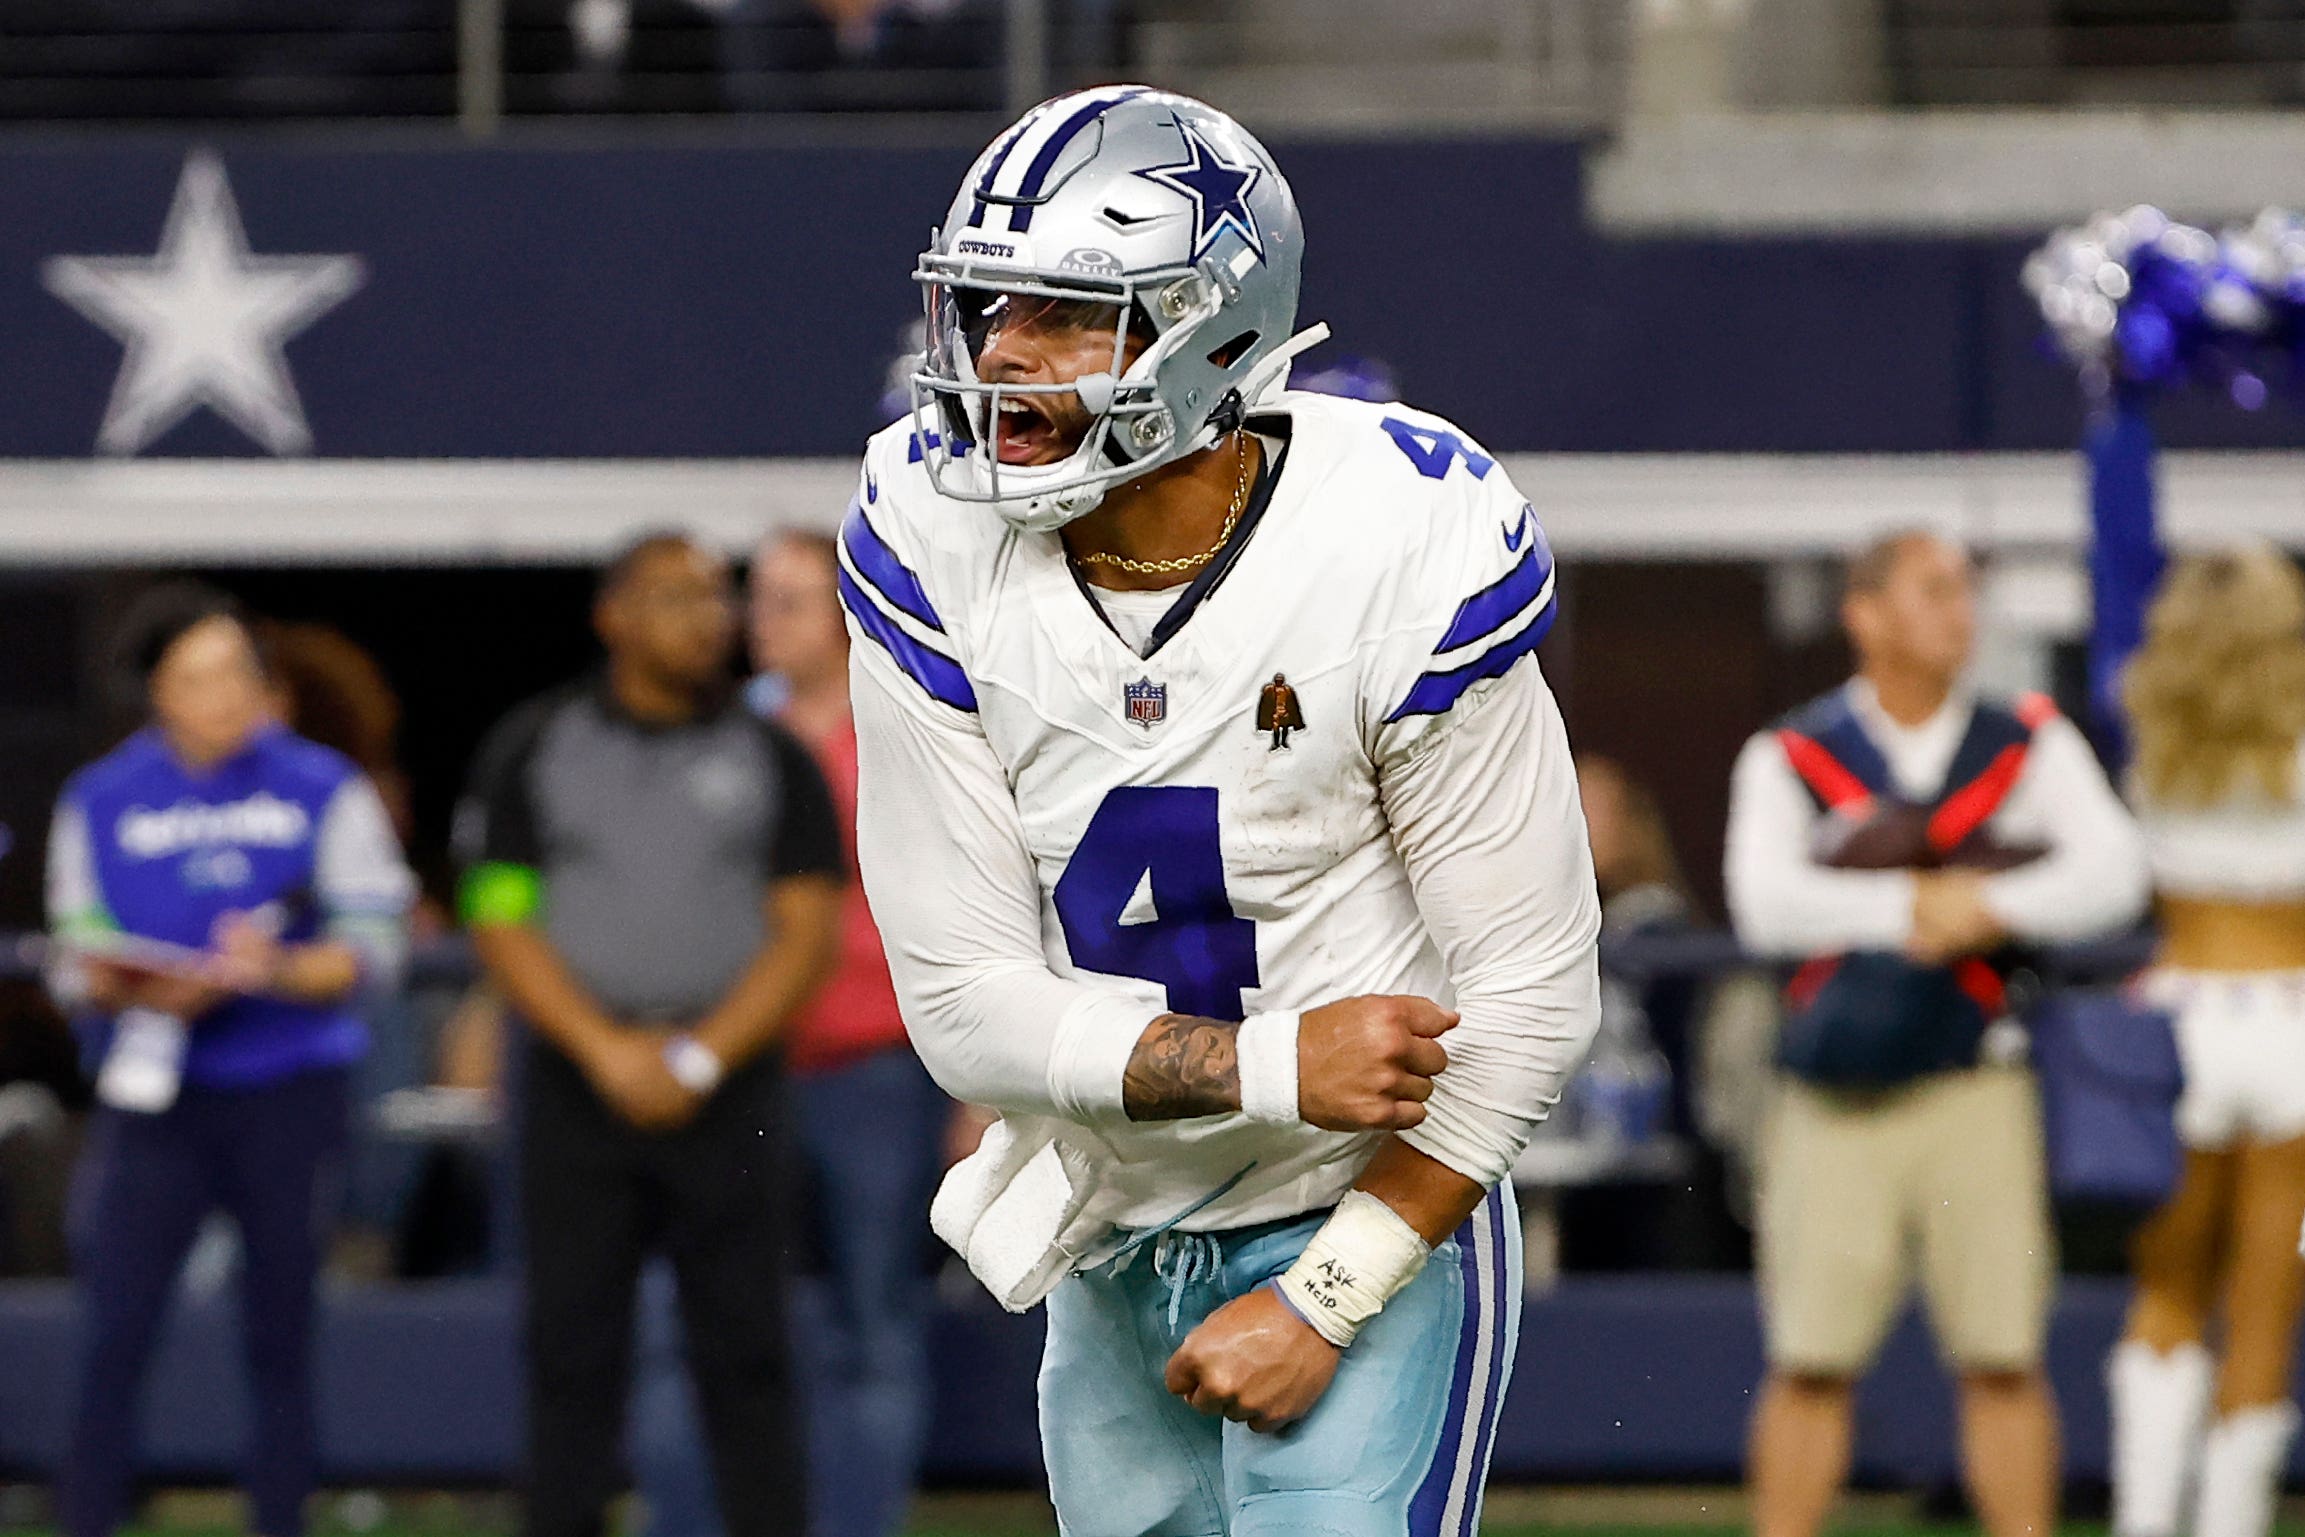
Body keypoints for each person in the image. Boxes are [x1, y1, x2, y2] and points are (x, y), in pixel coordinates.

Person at [843, 87, 1602, 1536]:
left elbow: (1535, 993)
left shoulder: (1397, 532)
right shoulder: (920, 526)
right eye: (988, 308)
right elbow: (959, 1005)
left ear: (1214, 328)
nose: (1001, 355)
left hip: (1365, 1199)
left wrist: (1329, 1294)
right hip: (1113, 1221)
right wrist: (1269, 1063)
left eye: (1065, 315)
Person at [1724, 530, 2150, 1537]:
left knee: (2002, 1353)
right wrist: (1916, 906)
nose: (1958, 611)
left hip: (1974, 1084)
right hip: (1835, 1095)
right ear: (1863, 614)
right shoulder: (1790, 751)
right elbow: (1763, 901)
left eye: (1963, 591)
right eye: (1931, 591)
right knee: (1809, 1359)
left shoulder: (2026, 739)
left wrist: (1988, 907)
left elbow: (2113, 872)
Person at [455, 531, 843, 1537]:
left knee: (750, 1351)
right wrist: (602, 1047)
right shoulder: (534, 744)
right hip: (578, 1086)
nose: (709, 616)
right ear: (613, 615)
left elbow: (807, 925)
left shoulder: (771, 755)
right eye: (677, 596)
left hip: (735, 1089)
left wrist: (701, 1053)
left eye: (717, 595)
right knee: (571, 1353)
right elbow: (499, 911)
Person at [45, 585, 416, 1537]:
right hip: (157, 1093)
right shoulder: (101, 796)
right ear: (158, 691)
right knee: (116, 1329)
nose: (223, 695)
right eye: (198, 677)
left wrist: (280, 967)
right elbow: (72, 947)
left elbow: (375, 939)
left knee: (281, 1332)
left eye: (238, 673)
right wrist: (129, 981)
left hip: (288, 1085)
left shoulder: (321, 785)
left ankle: (280, 1520)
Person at [751, 528, 948, 1537]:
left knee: (877, 1318)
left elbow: (973, 902)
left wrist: (976, 1085)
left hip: (878, 1058)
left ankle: (859, 1522)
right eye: (757, 597)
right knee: (765, 1317)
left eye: (788, 599)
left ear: (840, 613)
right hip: (750, 1066)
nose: (763, 620)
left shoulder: (901, 728)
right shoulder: (738, 737)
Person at [2108, 545, 2305, 1537]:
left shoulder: (2152, 735)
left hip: (2177, 1023)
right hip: (2290, 1034)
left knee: (2167, 1292)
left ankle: (2147, 1522)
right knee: (2262, 1312)